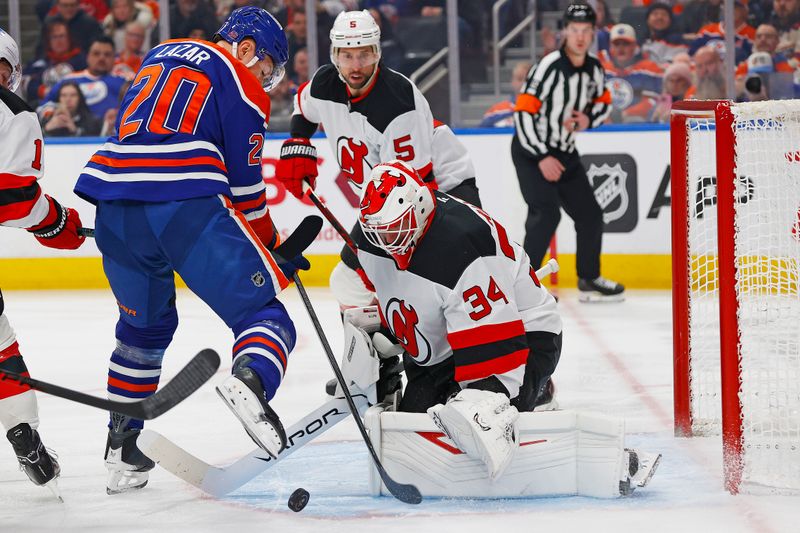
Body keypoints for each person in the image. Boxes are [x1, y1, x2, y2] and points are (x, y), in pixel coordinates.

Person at [72, 6, 311, 495]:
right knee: (266, 317)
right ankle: (251, 382)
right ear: (246, 49)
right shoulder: (239, 80)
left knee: (144, 328)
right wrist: (271, 250)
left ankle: (123, 445)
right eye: (265, 69)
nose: (264, 82)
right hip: (181, 198)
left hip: (114, 201)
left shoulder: (158, 54)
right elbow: (246, 191)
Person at [353, 160, 562, 479]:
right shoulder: (379, 227)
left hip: (523, 335)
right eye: (381, 232)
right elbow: (358, 283)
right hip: (448, 337)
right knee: (415, 434)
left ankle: (536, 388)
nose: (387, 240)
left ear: (421, 208)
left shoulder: (464, 244)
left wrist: (480, 400)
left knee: (475, 420)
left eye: (395, 229)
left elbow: (496, 353)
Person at [275, 9, 481, 311]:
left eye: (364, 55)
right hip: (389, 200)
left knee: (435, 284)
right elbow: (304, 108)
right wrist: (298, 142)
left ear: (377, 53)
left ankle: (424, 348)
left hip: (443, 193)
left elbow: (413, 194)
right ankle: (387, 349)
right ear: (334, 55)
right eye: (347, 56)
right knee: (354, 283)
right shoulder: (324, 84)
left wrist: (387, 261)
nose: (356, 66)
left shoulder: (398, 105)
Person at [0, 27, 86, 497]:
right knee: (1, 353)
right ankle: (21, 431)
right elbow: (13, 199)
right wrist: (53, 221)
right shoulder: (13, 112)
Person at [511, 3, 623, 302]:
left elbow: (603, 102)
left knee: (590, 215)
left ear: (593, 33)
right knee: (545, 213)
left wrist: (589, 119)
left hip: (565, 152)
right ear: (565, 32)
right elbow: (522, 113)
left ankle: (588, 277)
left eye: (586, 31)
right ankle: (526, 287)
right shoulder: (548, 67)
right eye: (575, 30)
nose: (580, 37)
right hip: (531, 149)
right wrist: (541, 156)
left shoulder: (594, 68)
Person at [39, 36, 128, 122]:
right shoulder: (69, 80)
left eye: (107, 54)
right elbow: (44, 105)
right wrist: (53, 114)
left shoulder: (123, 80)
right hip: (74, 133)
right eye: (96, 54)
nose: (102, 58)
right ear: (88, 56)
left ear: (114, 58)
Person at [599, 24, 663, 123]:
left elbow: (652, 102)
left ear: (634, 46)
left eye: (625, 44)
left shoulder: (649, 69)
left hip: (638, 125)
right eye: (617, 44)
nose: (621, 48)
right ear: (610, 47)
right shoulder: (601, 70)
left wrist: (624, 114)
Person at [479, 60, 532, 128]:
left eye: (528, 80)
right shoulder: (496, 111)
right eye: (519, 79)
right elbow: (481, 135)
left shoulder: (542, 110)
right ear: (512, 82)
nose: (523, 83)